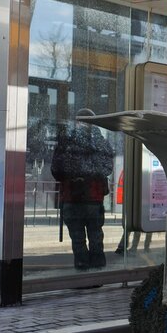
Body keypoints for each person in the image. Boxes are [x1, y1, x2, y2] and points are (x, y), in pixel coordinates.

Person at [51, 108, 114, 270]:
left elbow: (56, 169)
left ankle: (82, 269)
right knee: (95, 236)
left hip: (71, 197)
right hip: (94, 198)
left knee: (77, 238)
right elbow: (107, 168)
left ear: (76, 122)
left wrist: (74, 176)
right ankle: (97, 268)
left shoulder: (67, 141)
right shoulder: (100, 141)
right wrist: (89, 176)